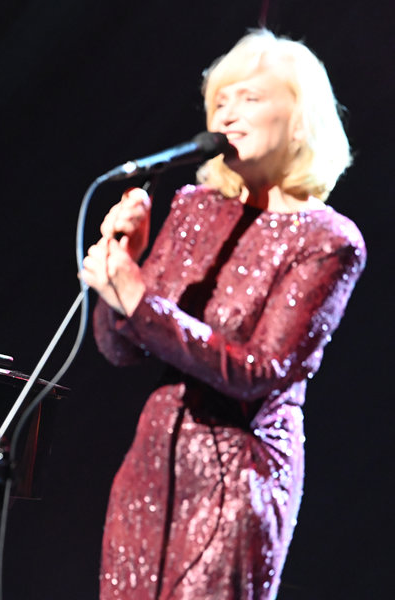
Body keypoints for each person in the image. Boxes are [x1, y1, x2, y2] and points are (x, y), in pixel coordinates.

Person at [79, 30, 365, 600]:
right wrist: (124, 273)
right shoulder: (193, 209)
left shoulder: (328, 240)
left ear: (300, 119)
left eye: (250, 98)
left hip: (239, 479)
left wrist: (139, 300)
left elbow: (259, 372)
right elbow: (121, 348)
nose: (228, 113)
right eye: (220, 101)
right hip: (149, 472)